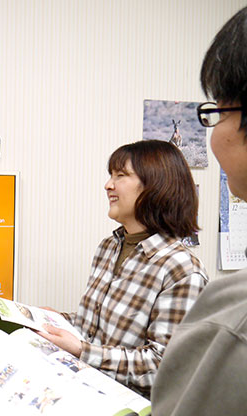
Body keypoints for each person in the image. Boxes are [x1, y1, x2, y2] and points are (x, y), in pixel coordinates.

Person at [40, 140, 208, 398]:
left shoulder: (182, 270)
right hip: (82, 390)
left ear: (155, 186)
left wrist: (82, 351)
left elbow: (165, 366)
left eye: (120, 175)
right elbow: (95, 329)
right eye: (111, 175)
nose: (108, 185)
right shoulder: (109, 247)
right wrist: (57, 320)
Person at [151, 7, 247, 415]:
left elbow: (158, 359)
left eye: (219, 111)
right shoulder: (109, 247)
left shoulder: (227, 309)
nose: (108, 185)